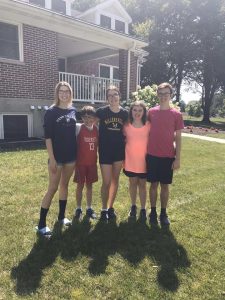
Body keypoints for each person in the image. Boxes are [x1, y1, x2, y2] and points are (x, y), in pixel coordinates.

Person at [36, 81, 77, 237]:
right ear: (57, 93)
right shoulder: (51, 112)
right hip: (57, 158)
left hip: (71, 157)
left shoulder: (73, 110)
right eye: (61, 91)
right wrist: (52, 159)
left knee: (64, 186)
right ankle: (41, 225)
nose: (64, 94)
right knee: (52, 188)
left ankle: (61, 217)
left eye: (67, 91)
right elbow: (48, 137)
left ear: (70, 93)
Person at [146, 82, 184, 226]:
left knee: (165, 186)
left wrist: (177, 158)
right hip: (152, 155)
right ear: (157, 95)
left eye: (166, 94)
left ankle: (163, 213)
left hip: (168, 156)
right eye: (160, 94)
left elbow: (179, 138)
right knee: (153, 185)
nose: (163, 97)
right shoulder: (151, 112)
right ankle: (153, 212)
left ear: (171, 95)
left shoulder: (176, 114)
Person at [96, 85, 128, 221]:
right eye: (110, 95)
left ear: (119, 96)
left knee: (115, 180)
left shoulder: (125, 113)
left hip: (119, 152)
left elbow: (130, 130)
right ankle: (103, 209)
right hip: (105, 151)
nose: (113, 97)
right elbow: (89, 123)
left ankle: (110, 207)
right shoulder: (101, 112)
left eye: (115, 94)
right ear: (107, 98)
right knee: (106, 181)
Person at [123, 101, 151, 221]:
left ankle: (143, 209)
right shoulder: (126, 125)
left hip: (144, 161)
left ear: (144, 112)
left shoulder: (149, 125)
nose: (137, 113)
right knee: (133, 184)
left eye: (140, 110)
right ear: (131, 111)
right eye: (135, 110)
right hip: (130, 160)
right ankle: (133, 206)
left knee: (143, 186)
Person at [74, 106, 98, 220]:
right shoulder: (78, 128)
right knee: (80, 185)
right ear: (82, 118)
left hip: (92, 163)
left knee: (89, 186)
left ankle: (89, 208)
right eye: (85, 117)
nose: (88, 120)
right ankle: (78, 208)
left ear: (94, 118)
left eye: (90, 117)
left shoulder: (96, 129)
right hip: (80, 163)